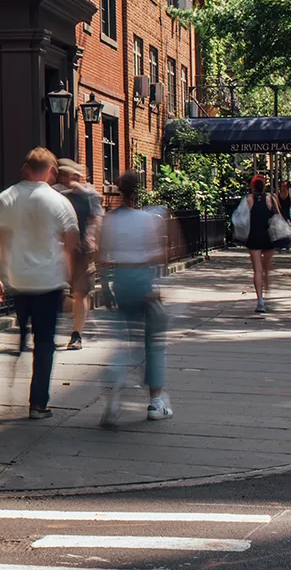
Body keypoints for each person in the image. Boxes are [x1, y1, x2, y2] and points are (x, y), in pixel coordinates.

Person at [0, 147, 80, 419]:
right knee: (45, 343)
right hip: (49, 282)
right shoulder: (60, 202)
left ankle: (14, 370)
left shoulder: (5, 199)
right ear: (51, 171)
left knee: (23, 334)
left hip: (18, 280)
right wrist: (72, 281)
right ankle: (38, 403)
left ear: (26, 168)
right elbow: (71, 246)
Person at [99, 172, 173, 426]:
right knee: (153, 342)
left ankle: (115, 396)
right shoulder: (147, 219)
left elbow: (101, 257)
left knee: (123, 340)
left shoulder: (109, 221)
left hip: (120, 280)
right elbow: (158, 255)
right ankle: (156, 401)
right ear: (138, 191)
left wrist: (106, 289)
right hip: (143, 280)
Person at [54, 159, 104, 351]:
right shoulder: (56, 194)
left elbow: (97, 219)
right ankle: (77, 317)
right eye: (66, 175)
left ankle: (77, 334)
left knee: (81, 293)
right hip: (58, 250)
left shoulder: (88, 196)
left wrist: (93, 240)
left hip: (82, 252)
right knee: (62, 294)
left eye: (74, 176)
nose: (70, 179)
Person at [240, 174, 279, 314]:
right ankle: (267, 297)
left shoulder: (248, 200)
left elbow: (241, 218)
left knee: (257, 270)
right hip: (268, 236)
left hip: (254, 236)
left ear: (252, 186)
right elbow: (278, 217)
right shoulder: (271, 198)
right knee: (266, 270)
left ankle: (260, 301)